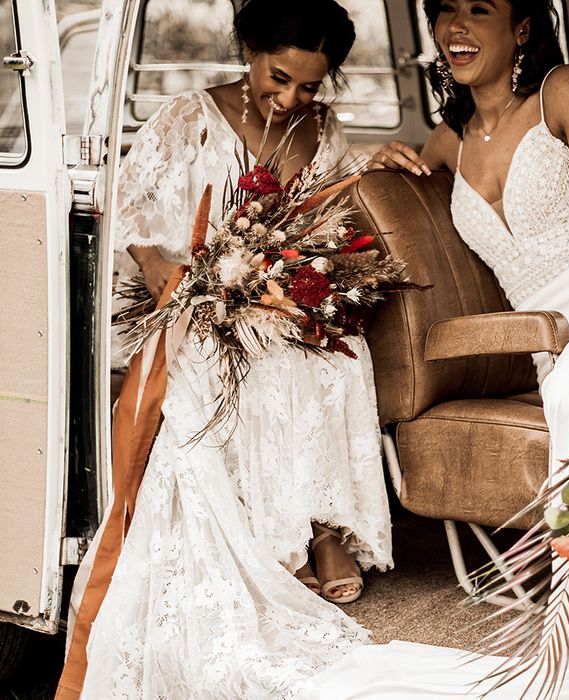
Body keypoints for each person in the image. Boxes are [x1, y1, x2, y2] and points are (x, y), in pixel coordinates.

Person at [354, 0, 569, 696]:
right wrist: (379, 160)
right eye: (444, 10)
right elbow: (406, 182)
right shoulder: (445, 142)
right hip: (556, 329)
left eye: (478, 8)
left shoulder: (562, 91)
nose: (454, 27)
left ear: (520, 29)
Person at [57, 2, 392, 698]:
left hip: (271, 297)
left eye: (309, 85)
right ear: (249, 50)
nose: (291, 97)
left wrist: (298, 279)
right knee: (249, 368)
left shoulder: (321, 126)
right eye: (279, 77)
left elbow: (330, 215)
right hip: (189, 303)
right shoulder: (188, 115)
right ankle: (277, 545)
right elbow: (132, 214)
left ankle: (320, 528)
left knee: (336, 351)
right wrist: (172, 275)